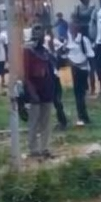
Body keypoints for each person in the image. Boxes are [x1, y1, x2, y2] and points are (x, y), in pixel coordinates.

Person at [23, 21, 58, 157]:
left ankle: (44, 148)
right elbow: (26, 75)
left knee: (46, 122)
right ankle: (33, 149)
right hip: (35, 90)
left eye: (41, 31)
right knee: (34, 122)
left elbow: (53, 67)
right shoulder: (28, 51)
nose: (40, 34)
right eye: (36, 30)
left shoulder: (45, 51)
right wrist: (31, 92)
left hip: (47, 90)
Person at [66, 16, 95, 124]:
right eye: (70, 27)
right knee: (77, 94)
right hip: (73, 71)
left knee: (81, 94)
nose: (70, 29)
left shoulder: (84, 40)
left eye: (72, 26)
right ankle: (81, 115)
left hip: (82, 70)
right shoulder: (68, 39)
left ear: (77, 27)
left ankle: (84, 116)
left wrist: (78, 65)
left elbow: (90, 55)